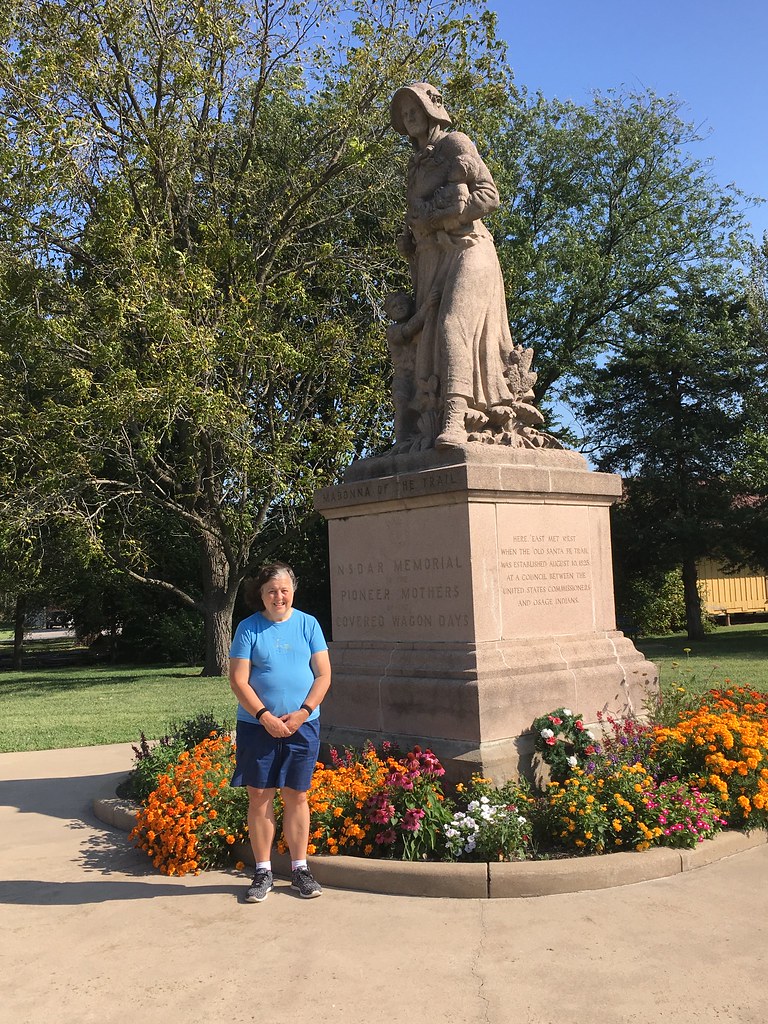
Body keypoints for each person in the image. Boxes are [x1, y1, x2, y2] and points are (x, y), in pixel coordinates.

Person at [390, 82, 519, 449]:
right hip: (432, 259)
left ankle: (455, 418)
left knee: (451, 323)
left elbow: (489, 195)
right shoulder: (413, 168)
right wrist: (411, 243)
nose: (409, 117)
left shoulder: (456, 144)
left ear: (432, 109)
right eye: (404, 113)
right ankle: (417, 430)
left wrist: (450, 215)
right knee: (426, 338)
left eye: (414, 108)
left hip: (468, 249)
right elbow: (416, 218)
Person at [229, 562, 331, 902]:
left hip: (303, 725)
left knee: (296, 795)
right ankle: (263, 871)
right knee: (259, 796)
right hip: (257, 727)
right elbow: (238, 680)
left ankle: (300, 869)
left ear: (293, 591)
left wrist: (303, 713)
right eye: (272, 590)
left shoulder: (308, 624)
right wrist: (264, 716)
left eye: (285, 589)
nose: (279, 596)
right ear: (261, 593)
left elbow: (323, 675)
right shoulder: (248, 628)